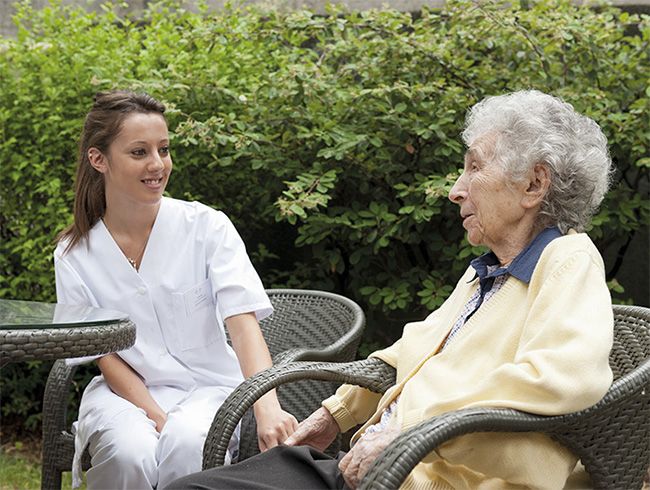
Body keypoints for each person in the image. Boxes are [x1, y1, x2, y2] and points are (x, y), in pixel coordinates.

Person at [166, 89, 615, 490]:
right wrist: (335, 414)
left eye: (474, 167)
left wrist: (412, 429)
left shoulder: (567, 261)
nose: (456, 190)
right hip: (385, 465)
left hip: (433, 477)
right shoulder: (489, 272)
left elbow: (561, 380)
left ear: (534, 185)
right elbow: (410, 353)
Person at [54, 90, 298, 490]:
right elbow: (104, 355)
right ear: (99, 160)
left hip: (209, 389)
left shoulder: (207, 227)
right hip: (124, 395)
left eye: (163, 149)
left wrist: (266, 404)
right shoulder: (74, 254)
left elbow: (242, 322)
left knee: (188, 444)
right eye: (139, 152)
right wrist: (156, 416)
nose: (158, 165)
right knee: (128, 453)